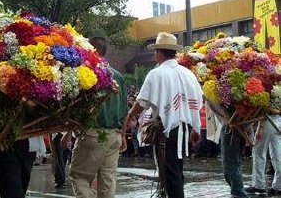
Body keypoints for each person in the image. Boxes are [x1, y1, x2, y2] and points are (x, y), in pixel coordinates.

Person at [123, 32, 203, 198]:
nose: (154, 54)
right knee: (175, 170)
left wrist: (130, 115)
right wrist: (196, 128)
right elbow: (196, 103)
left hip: (166, 129)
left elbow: (142, 101)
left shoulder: (156, 74)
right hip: (183, 129)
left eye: (155, 51)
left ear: (159, 52)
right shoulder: (188, 74)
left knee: (169, 173)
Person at [66, 36, 128, 198]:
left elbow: (77, 109)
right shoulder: (119, 77)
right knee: (107, 182)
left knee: (80, 176)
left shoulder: (87, 74)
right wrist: (122, 135)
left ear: (91, 50)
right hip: (114, 135)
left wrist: (67, 133)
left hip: (92, 133)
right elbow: (124, 111)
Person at [245, 111, 281, 196]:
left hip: (267, 120)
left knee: (259, 153)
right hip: (279, 121)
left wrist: (260, 127)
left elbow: (265, 108)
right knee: (278, 156)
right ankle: (279, 186)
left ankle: (259, 185)